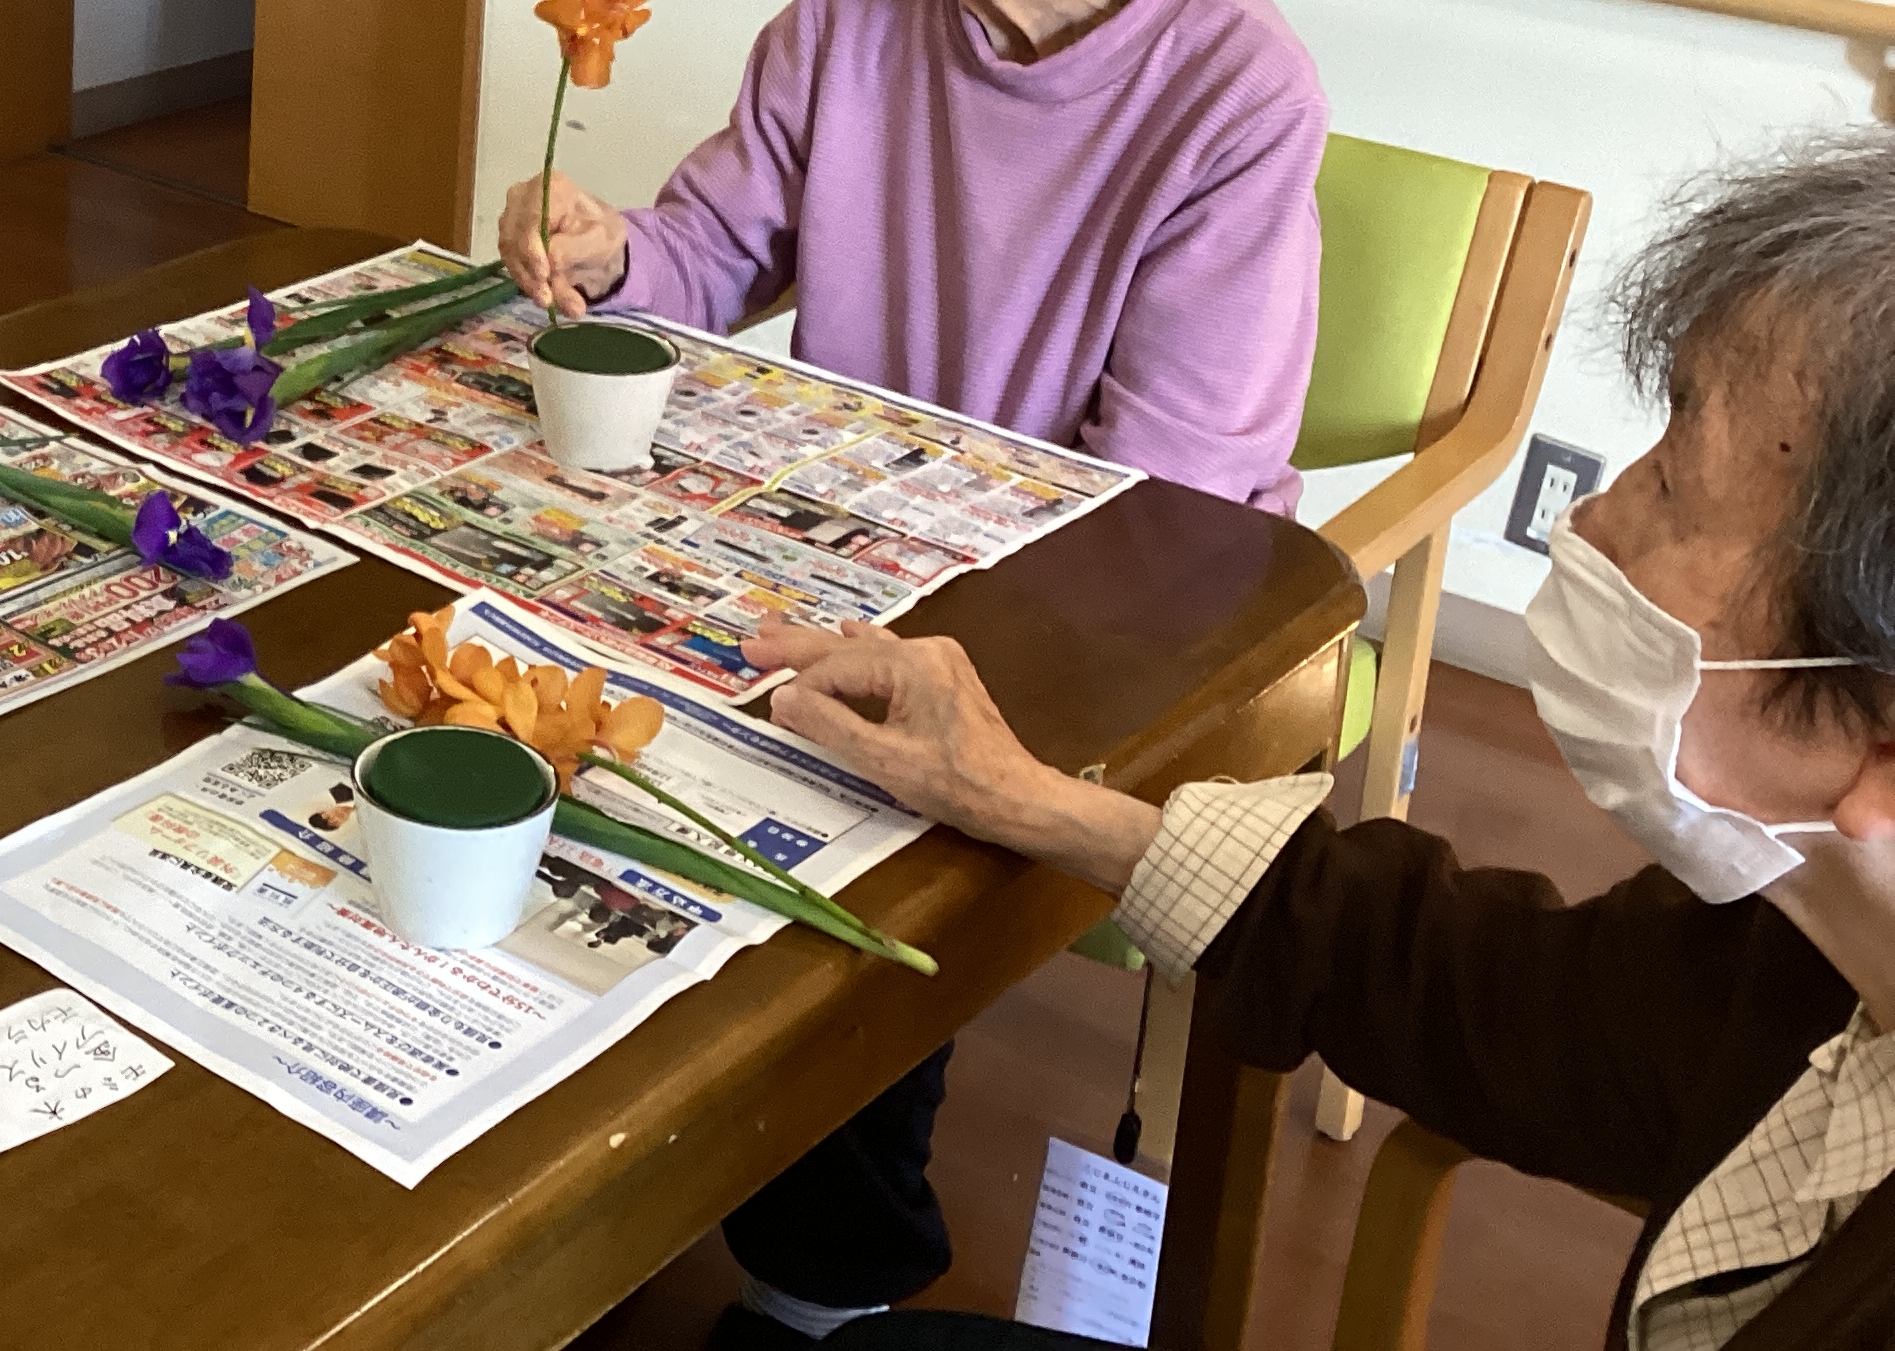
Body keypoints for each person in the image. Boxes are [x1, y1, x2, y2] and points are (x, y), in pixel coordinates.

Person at [497, 0, 1327, 1337]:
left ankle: (816, 1288)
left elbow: (1169, 490)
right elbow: (708, 251)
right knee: (543, 680)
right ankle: (572, 1172)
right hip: (852, 544)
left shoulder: (1232, 87)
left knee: (852, 798)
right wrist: (607, 247)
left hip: (1119, 593)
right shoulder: (845, 12)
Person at [752, 133, 1895, 1349]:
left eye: (1677, 486)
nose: (1598, 515)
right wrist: (1028, 797)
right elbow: (1484, 988)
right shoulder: (1802, 960)